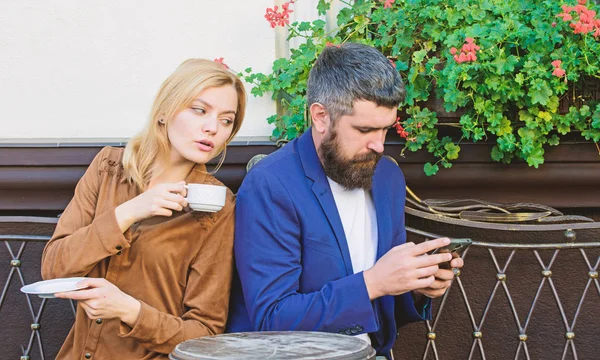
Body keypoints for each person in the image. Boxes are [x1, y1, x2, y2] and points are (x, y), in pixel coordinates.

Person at [226, 43, 464, 358]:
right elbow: (272, 318)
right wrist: (372, 283)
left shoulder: (387, 178)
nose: (379, 145)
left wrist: (416, 288)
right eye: (365, 129)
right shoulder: (271, 185)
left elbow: (382, 309)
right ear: (321, 116)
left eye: (385, 130)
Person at [41, 58, 246, 359]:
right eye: (199, 110)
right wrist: (129, 212)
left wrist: (130, 311)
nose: (212, 128)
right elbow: (53, 269)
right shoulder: (108, 168)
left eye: (226, 120)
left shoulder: (217, 206)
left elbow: (205, 335)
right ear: (164, 111)